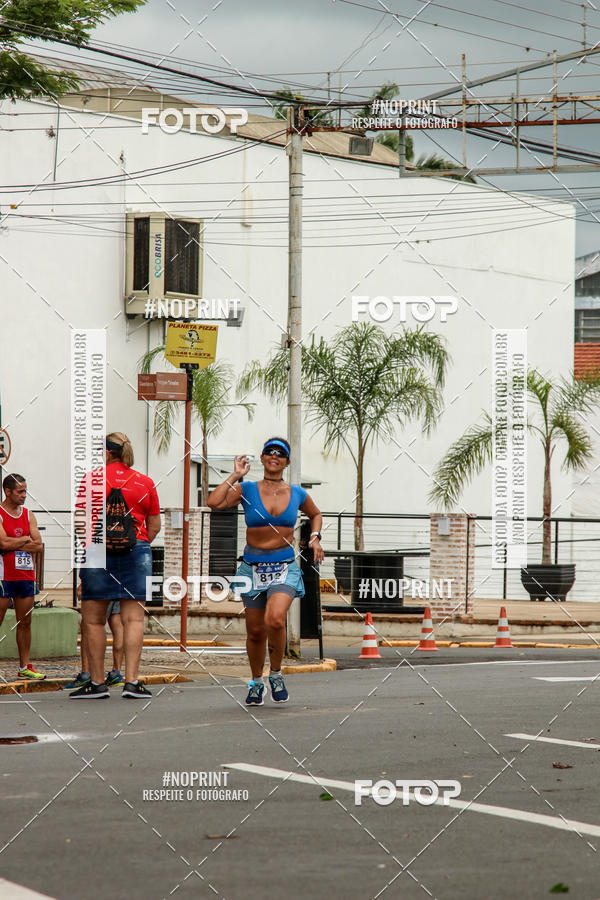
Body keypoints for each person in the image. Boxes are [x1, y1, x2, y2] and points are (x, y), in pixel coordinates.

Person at [207, 437, 324, 706]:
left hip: (283, 567)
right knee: (256, 631)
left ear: (287, 461)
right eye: (269, 452)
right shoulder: (247, 489)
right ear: (261, 458)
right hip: (252, 569)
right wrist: (235, 475)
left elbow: (315, 514)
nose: (274, 456)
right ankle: (256, 682)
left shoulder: (297, 493)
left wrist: (315, 537)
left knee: (275, 619)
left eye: (280, 454)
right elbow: (214, 502)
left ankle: (277, 673)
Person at [70, 432, 160, 699]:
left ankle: (97, 683)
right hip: (137, 550)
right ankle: (131, 682)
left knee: (94, 620)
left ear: (107, 453)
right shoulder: (145, 482)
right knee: (133, 619)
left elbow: (80, 523)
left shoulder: (91, 481)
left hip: (98, 550)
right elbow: (154, 526)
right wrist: (135, 543)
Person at [0, 473, 45, 680]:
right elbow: (2, 544)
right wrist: (25, 539)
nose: (24, 495)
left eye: (25, 491)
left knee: (25, 622)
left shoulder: (28, 514)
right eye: (20, 491)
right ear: (7, 492)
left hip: (26, 576)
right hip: (3, 575)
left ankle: (24, 666)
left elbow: (38, 545)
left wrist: (17, 541)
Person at [63, 595, 124, 690]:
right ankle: (116, 673)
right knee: (117, 623)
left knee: (90, 625)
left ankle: (86, 674)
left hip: (101, 587)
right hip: (118, 587)